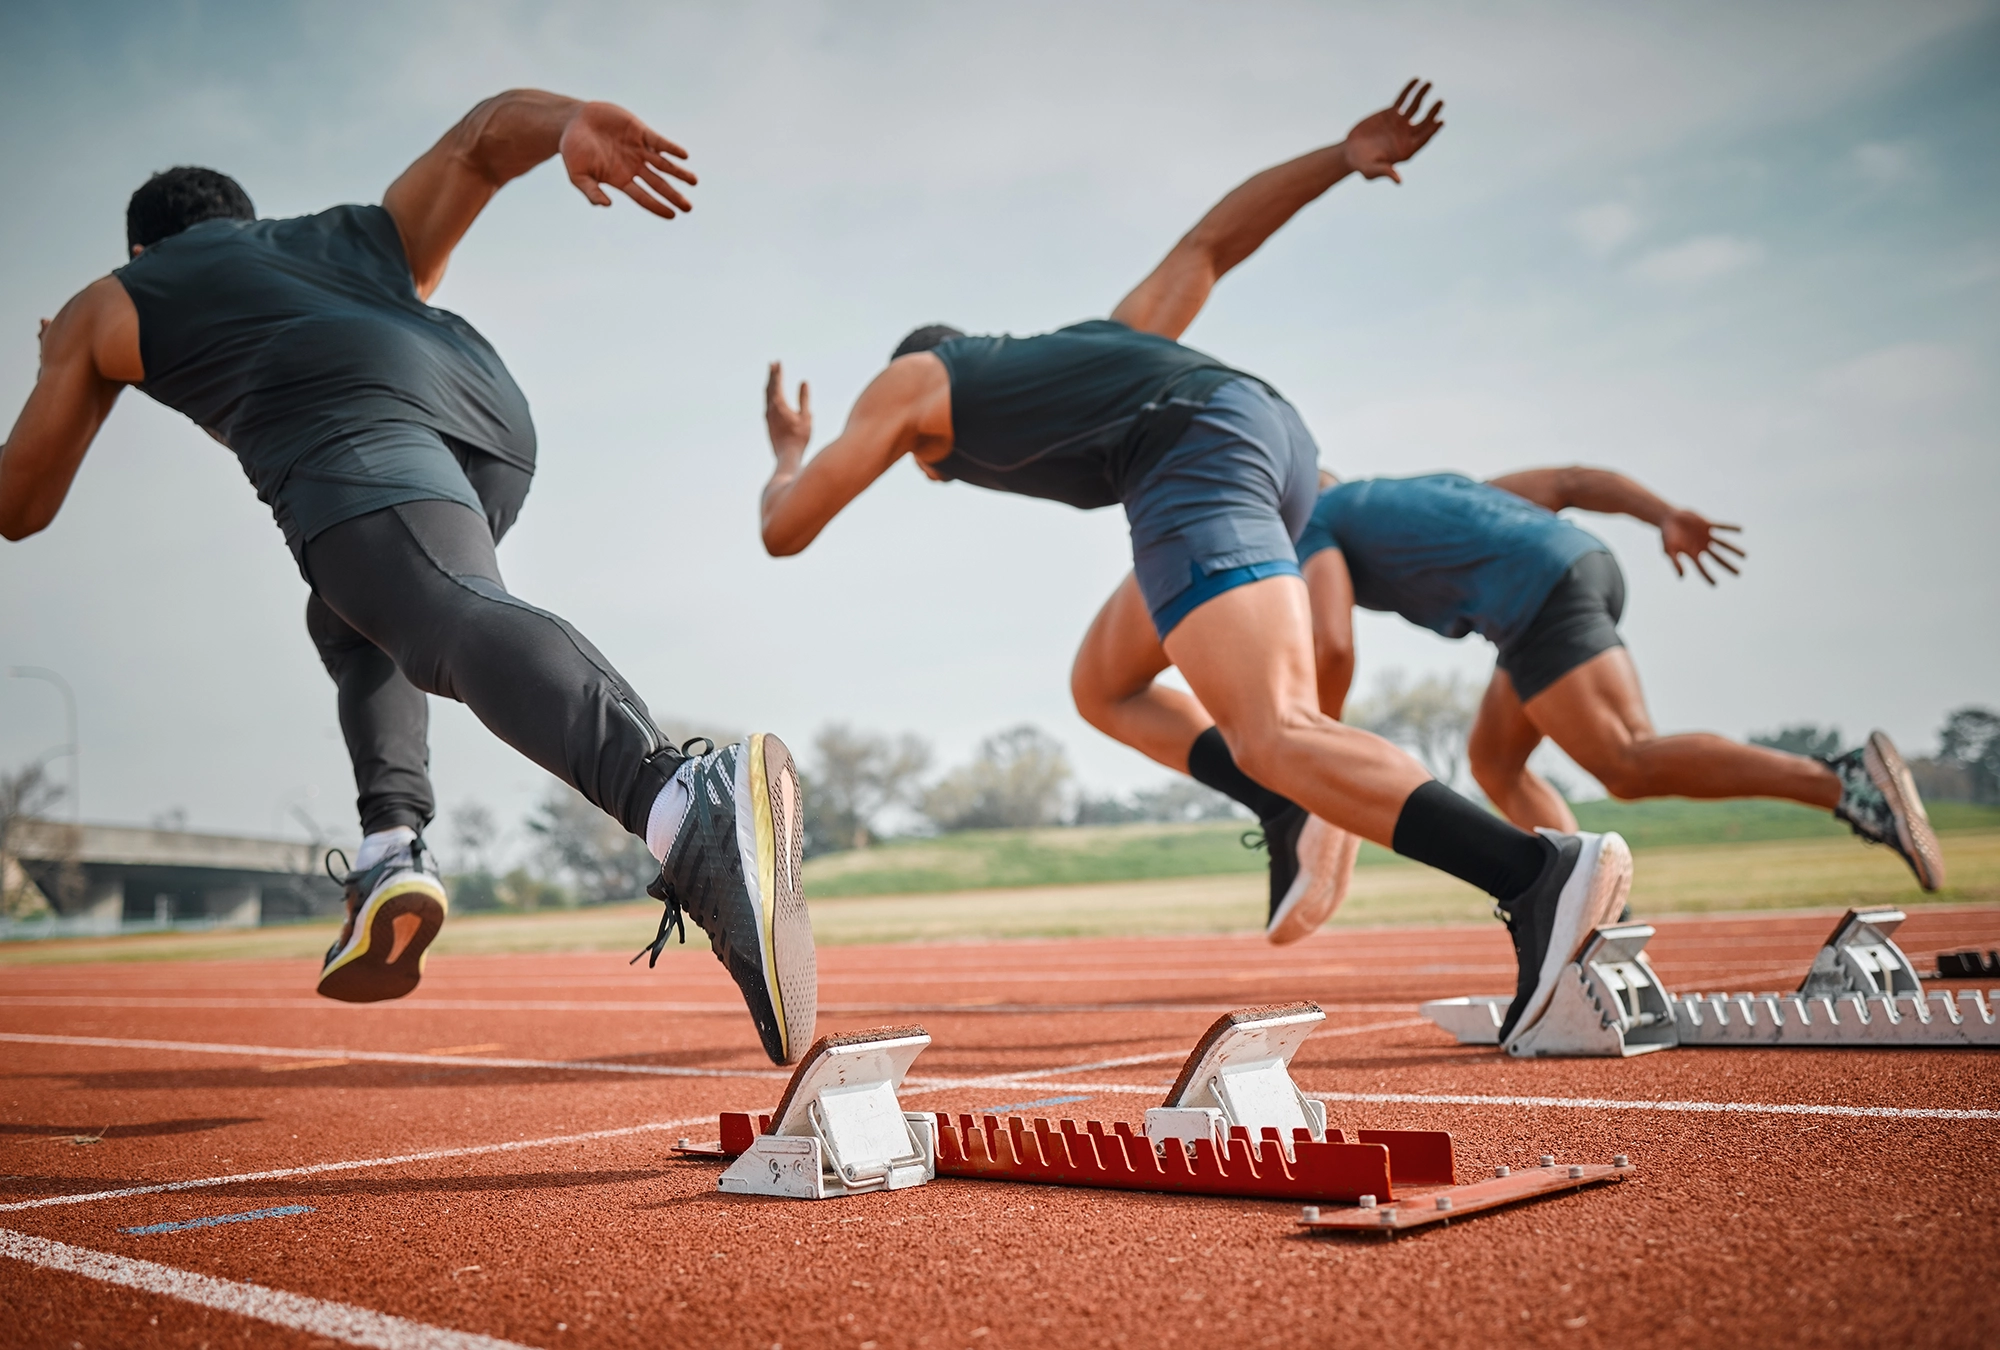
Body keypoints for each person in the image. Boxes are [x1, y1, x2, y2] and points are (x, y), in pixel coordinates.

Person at [757, 81, 1631, 1050]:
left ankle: (1530, 873)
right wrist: (1339, 158)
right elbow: (1206, 246)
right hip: (1270, 444)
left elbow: (784, 530)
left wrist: (793, 453)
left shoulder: (913, 382)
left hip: (1192, 452)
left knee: (1276, 729)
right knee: (1104, 681)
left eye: (925, 468)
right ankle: (1279, 800)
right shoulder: (1099, 345)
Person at [0, 90, 815, 1065]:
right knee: (355, 619)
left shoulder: (115, 297)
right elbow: (479, 143)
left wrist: (65, 355)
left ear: (144, 249)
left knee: (439, 616)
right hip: (483, 412)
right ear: (244, 221)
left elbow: (22, 505)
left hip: (354, 422)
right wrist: (567, 123)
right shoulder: (343, 236)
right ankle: (391, 850)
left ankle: (680, 801)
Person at [1297, 467, 1944, 888]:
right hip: (1581, 569)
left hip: (1539, 596)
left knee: (1627, 761)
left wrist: (1315, 740)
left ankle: (1842, 780)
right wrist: (1663, 514)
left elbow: (1329, 646)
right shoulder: (1420, 494)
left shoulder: (1313, 523)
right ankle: (1581, 899)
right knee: (1494, 761)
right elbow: (1569, 483)